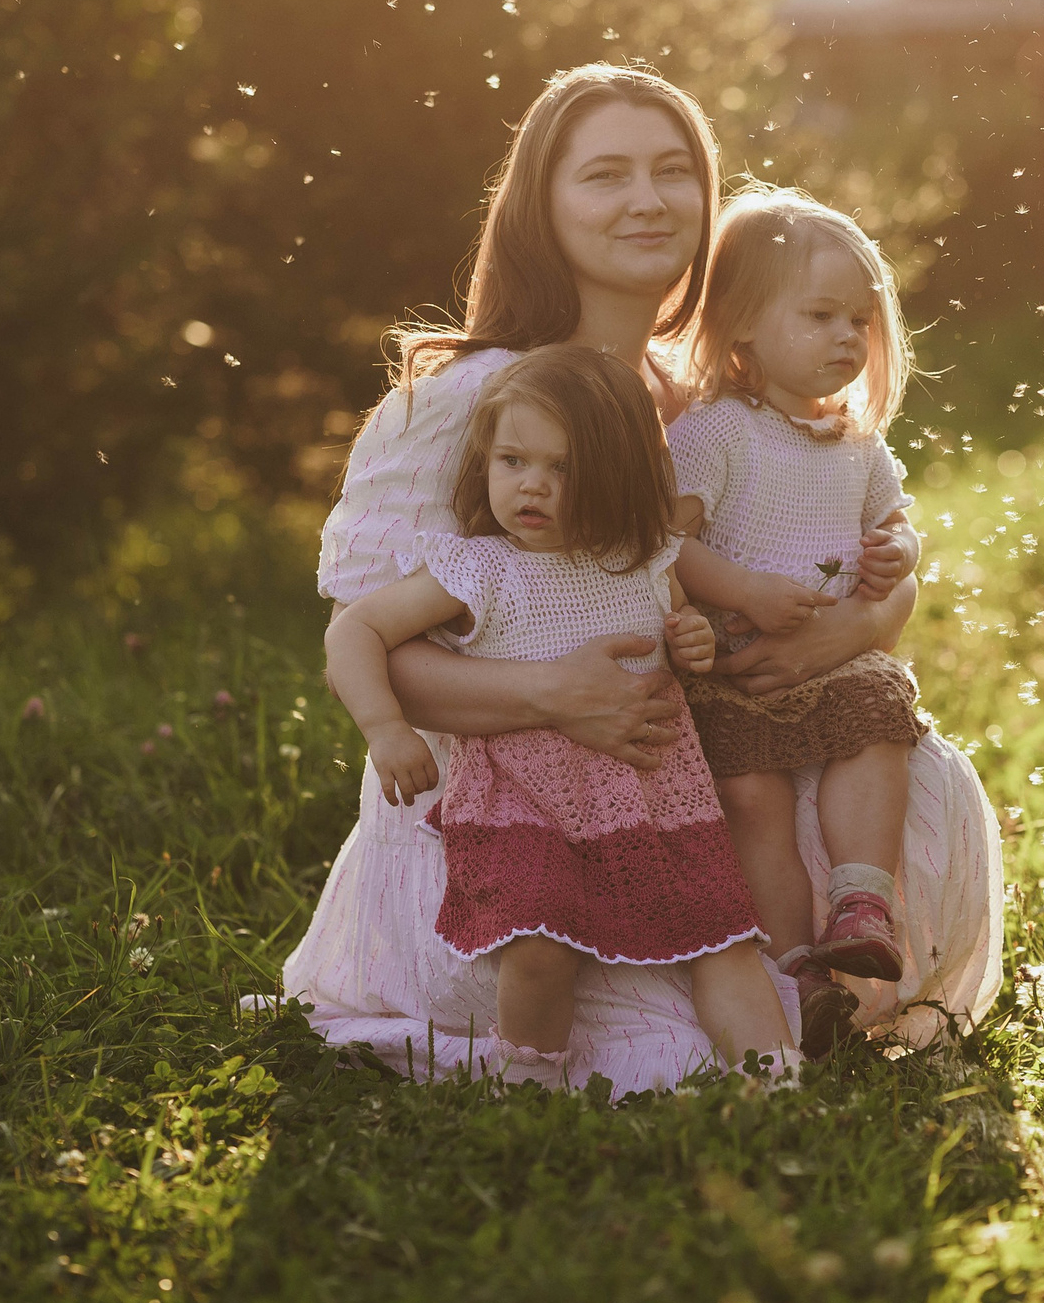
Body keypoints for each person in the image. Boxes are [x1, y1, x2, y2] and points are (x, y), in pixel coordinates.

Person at [276, 61, 1000, 1093]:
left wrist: (857, 623)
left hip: (679, 773)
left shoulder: (708, 397)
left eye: (673, 171)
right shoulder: (474, 397)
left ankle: (806, 977)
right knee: (653, 1042)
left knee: (907, 774)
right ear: (542, 204)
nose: (648, 199)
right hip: (505, 798)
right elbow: (376, 643)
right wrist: (548, 694)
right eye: (605, 175)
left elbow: (843, 538)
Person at [323, 346, 794, 1087]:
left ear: (618, 475)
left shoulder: (646, 559)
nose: (531, 485)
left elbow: (677, 635)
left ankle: (779, 1080)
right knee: (538, 944)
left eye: (563, 468)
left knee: (722, 935)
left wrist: (690, 638)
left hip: (653, 789)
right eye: (512, 460)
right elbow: (354, 630)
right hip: (524, 797)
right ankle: (529, 1083)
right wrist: (385, 725)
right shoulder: (478, 565)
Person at [666, 188, 925, 1060]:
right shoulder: (715, 433)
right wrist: (741, 590)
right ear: (742, 325)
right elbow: (669, 546)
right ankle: (797, 969)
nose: (849, 337)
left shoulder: (858, 443)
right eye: (820, 315)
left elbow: (897, 527)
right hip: (739, 666)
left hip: (834, 663)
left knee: (876, 729)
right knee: (752, 801)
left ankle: (861, 901)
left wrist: (896, 556)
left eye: (859, 319)